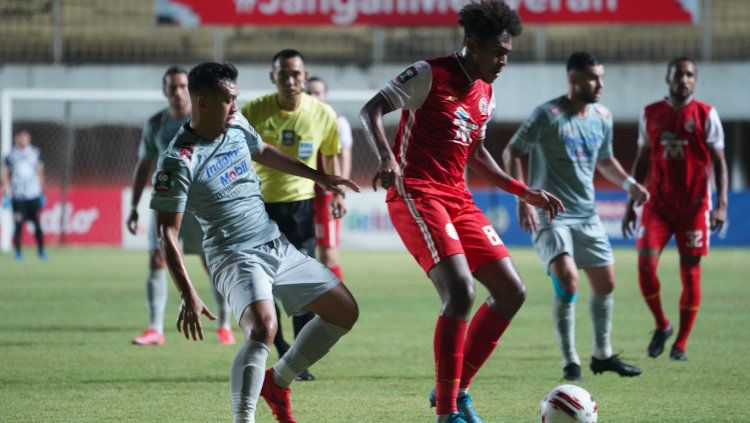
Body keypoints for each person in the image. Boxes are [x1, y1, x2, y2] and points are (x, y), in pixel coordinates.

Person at [360, 3, 564, 422]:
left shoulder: (486, 92)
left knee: (512, 291)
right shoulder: (428, 74)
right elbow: (371, 109)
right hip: (416, 192)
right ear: (471, 45)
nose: (503, 61)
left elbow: (477, 154)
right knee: (460, 292)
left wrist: (524, 192)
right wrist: (386, 157)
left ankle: (456, 391)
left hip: (458, 197)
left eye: (508, 53)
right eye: (496, 52)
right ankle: (448, 413)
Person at [151, 62, 359, 423]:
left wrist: (317, 176)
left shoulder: (236, 125)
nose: (235, 105)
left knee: (344, 311)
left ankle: (277, 382)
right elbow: (167, 232)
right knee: (263, 327)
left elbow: (262, 151)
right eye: (228, 99)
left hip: (273, 242)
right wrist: (187, 293)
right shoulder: (178, 160)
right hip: (233, 255)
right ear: (202, 101)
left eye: (236, 98)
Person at [504, 51, 648, 382]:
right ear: (573, 80)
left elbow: (606, 160)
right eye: (592, 78)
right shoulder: (548, 115)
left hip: (587, 215)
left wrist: (630, 185)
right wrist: (523, 197)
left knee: (606, 283)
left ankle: (602, 355)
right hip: (551, 213)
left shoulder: (603, 116)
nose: (599, 85)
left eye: (601, 78)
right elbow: (513, 150)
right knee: (569, 280)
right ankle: (570, 360)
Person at [241, 50, 345, 381]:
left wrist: (337, 193)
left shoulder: (323, 114)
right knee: (264, 286)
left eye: (295, 74)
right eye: (283, 74)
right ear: (272, 77)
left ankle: (296, 357)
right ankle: (281, 343)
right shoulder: (254, 111)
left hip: (301, 208)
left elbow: (329, 157)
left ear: (305, 75)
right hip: (260, 208)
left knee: (304, 287)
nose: (290, 80)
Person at [622, 57, 728, 361]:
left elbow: (719, 163)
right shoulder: (651, 114)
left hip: (694, 207)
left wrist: (721, 205)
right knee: (644, 266)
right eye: (678, 75)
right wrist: (631, 203)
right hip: (657, 204)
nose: (684, 80)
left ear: (695, 80)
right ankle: (662, 324)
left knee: (690, 273)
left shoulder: (706, 115)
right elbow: (642, 161)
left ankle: (680, 343)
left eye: (689, 75)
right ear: (668, 79)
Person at [127, 65, 234, 346]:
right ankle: (154, 329)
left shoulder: (204, 119)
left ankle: (224, 325)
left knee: (210, 261)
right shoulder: (155, 124)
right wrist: (134, 206)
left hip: (200, 204)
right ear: (164, 91)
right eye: (172, 87)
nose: (177, 91)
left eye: (182, 86)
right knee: (156, 258)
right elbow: (143, 166)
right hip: (166, 202)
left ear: (191, 89)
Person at [306, 75, 353, 282]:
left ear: (326, 96)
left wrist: (338, 194)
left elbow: (345, 159)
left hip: (325, 196)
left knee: (329, 256)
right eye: (309, 93)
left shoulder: (337, 121)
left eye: (317, 92)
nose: (313, 96)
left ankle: (339, 310)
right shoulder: (298, 121)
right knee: (303, 256)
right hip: (300, 195)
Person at [2, 129, 46, 261]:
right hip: (18, 196)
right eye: (21, 137)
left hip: (33, 195)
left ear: (29, 138)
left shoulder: (36, 153)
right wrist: (6, 193)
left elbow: (40, 172)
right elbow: (5, 175)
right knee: (18, 225)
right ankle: (18, 253)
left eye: (26, 137)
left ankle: (41, 252)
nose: (23, 139)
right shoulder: (10, 155)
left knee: (37, 224)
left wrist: (42, 192)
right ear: (17, 138)